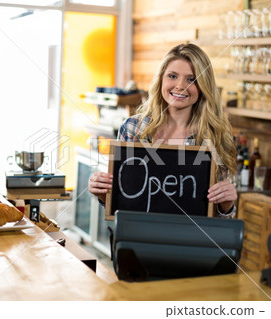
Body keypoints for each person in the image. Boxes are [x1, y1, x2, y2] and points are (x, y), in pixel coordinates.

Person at [89, 43, 237, 217]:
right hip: (136, 237)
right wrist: (102, 193)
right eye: (172, 76)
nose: (180, 86)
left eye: (191, 79)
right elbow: (122, 201)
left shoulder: (215, 136)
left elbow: (218, 215)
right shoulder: (133, 129)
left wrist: (226, 206)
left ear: (204, 86)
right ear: (161, 80)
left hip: (191, 240)